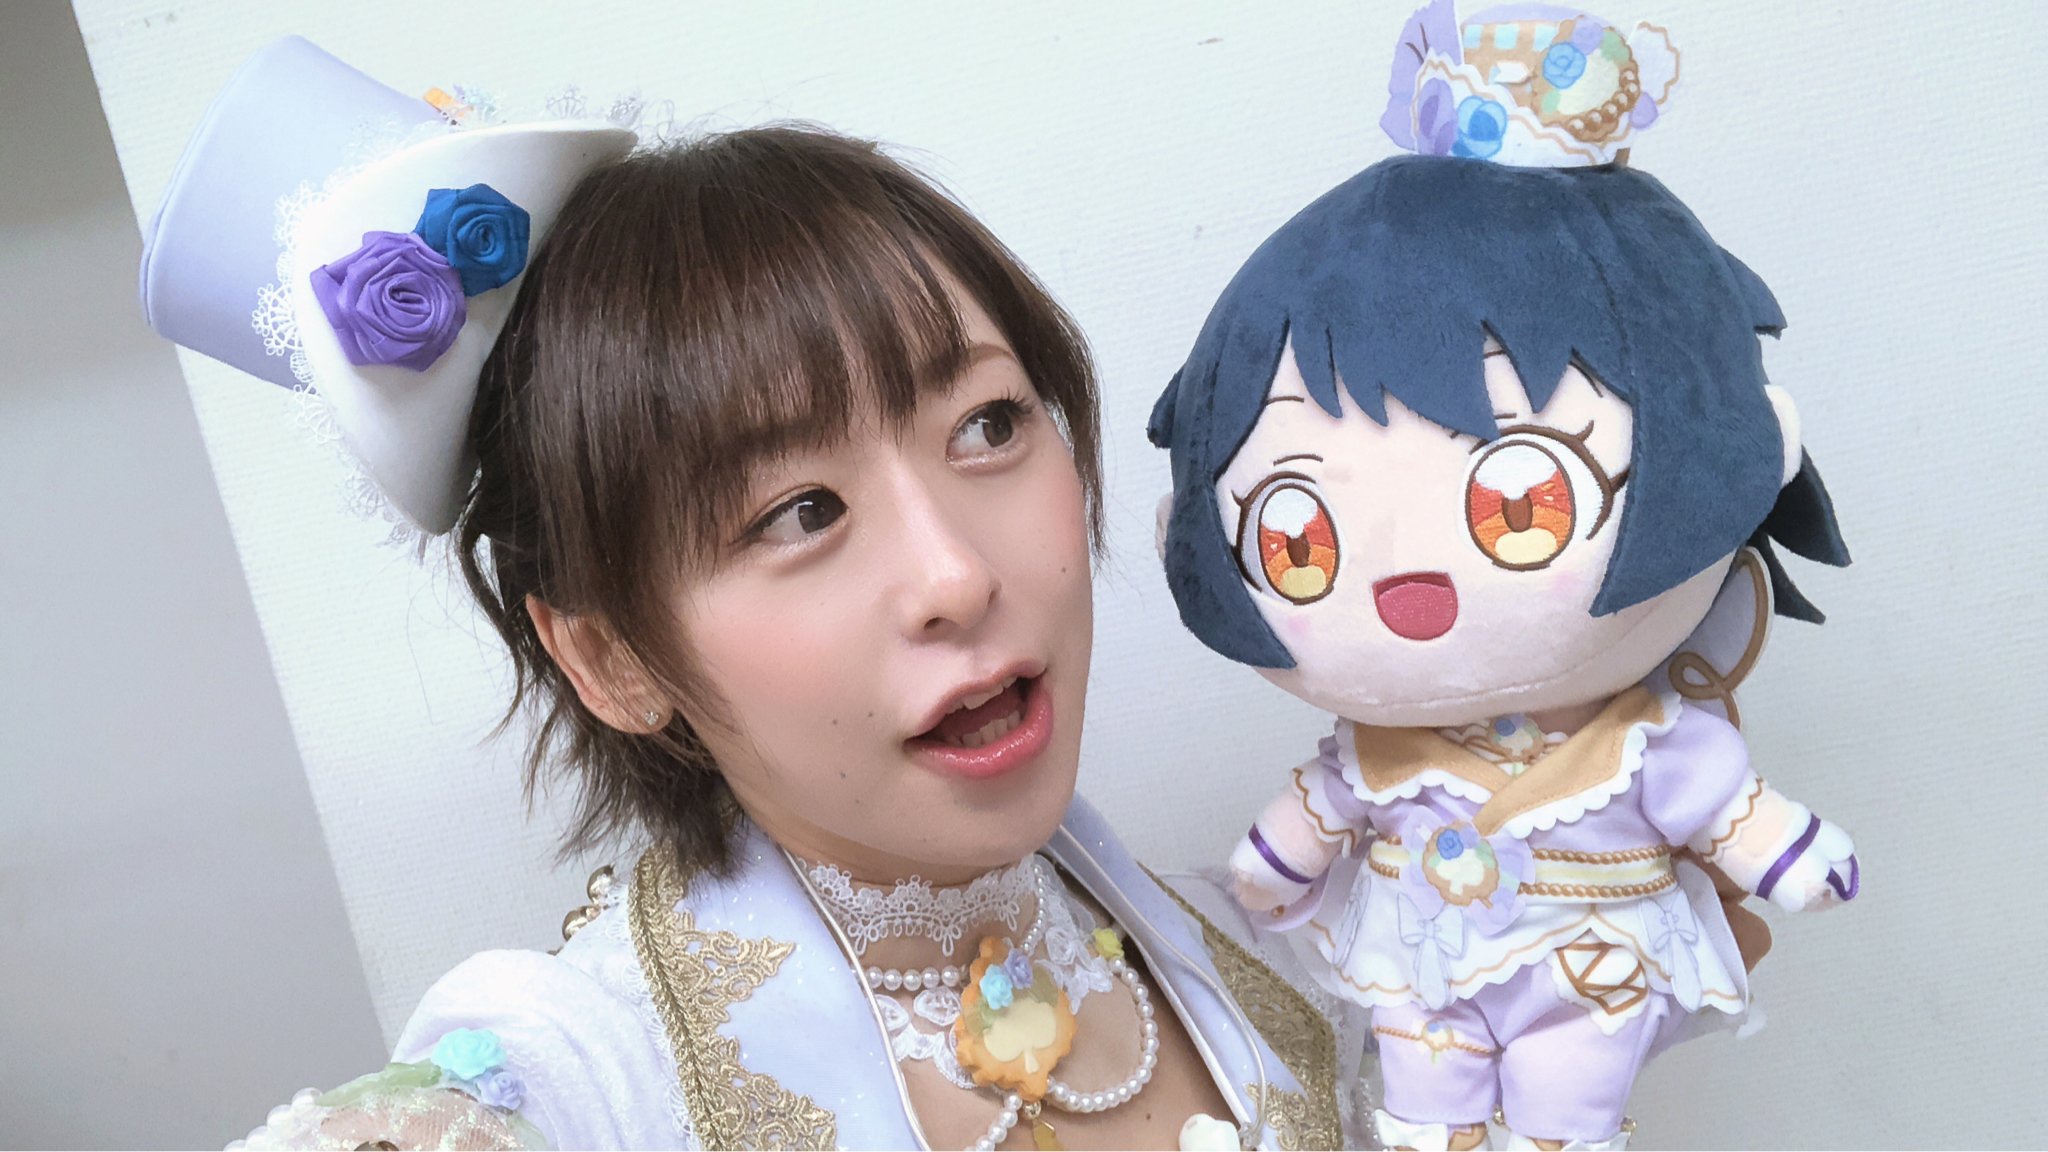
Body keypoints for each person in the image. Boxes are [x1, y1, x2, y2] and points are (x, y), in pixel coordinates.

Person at [139, 37, 1367, 1152]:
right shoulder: (596, 1071)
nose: (954, 574)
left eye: (988, 423)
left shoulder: (1286, 952)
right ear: (611, 660)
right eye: (800, 512)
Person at [1144, 6, 1859, 1150]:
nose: (1406, 588)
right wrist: (1266, 872)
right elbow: (1310, 821)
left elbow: (1720, 806)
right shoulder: (1373, 758)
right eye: (1297, 537)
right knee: (1420, 1107)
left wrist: (1783, 853)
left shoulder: (1635, 742)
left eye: (1515, 507)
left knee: (1567, 1101)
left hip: (1588, 967)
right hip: (1421, 969)